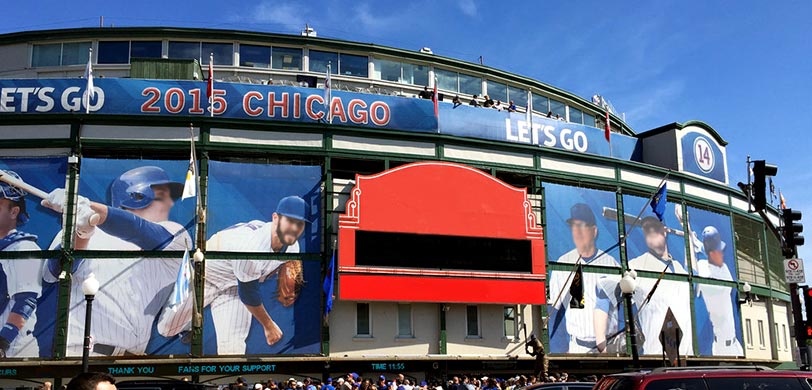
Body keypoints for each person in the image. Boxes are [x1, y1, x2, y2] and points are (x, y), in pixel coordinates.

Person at [41, 166, 192, 356]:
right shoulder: (71, 232)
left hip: (132, 362)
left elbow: (139, 230)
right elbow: (54, 275)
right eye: (163, 197)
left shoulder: (175, 234)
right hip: (80, 355)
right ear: (137, 197)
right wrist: (82, 233)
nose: (170, 203)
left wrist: (89, 207)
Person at [157, 196, 308, 354]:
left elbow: (257, 279)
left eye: (300, 224)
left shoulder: (292, 247)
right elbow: (249, 294)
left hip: (234, 287)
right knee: (166, 329)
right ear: (275, 218)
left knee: (233, 349)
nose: (295, 228)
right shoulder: (251, 245)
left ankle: (231, 379)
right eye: (290, 221)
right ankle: (187, 323)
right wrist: (269, 326)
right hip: (203, 275)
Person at [548, 203, 620, 353]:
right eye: (574, 226)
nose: (577, 232)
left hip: (610, 346)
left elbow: (623, 307)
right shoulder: (563, 264)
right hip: (577, 347)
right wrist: (560, 351)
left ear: (594, 231)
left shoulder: (612, 264)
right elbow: (555, 311)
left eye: (582, 226)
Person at [625, 216, 693, 355]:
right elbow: (609, 292)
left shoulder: (679, 268)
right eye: (647, 230)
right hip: (657, 354)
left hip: (687, 354)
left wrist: (687, 227)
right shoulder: (635, 265)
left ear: (664, 231)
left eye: (655, 228)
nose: (651, 232)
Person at [0, 171, 42, 358]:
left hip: (14, 350)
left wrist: (3, 341)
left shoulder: (24, 247)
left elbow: (26, 300)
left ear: (14, 211)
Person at [690, 223, 742, 355]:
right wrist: (690, 236)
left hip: (734, 345)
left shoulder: (722, 268)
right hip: (720, 347)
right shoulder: (702, 267)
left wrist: (692, 238)